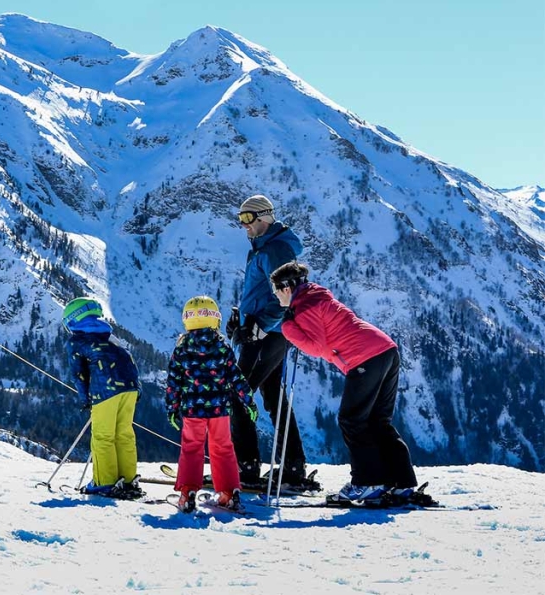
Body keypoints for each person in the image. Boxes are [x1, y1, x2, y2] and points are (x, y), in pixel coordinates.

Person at [271, 261, 418, 502]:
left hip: (365, 357)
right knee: (378, 421)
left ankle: (367, 482)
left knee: (352, 420)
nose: (276, 296)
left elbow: (316, 347)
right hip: (386, 350)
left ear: (286, 288)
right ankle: (402, 482)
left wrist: (288, 327)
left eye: (276, 290)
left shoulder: (305, 306)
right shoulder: (315, 297)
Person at [226, 194, 310, 488]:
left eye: (247, 219)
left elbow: (289, 294)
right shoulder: (262, 249)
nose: (244, 226)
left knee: (237, 394)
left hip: (268, 334)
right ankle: (292, 466)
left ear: (264, 216)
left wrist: (261, 325)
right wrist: (244, 318)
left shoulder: (275, 249)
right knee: (274, 397)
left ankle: (245, 467)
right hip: (264, 332)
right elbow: (264, 292)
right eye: (240, 220)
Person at [166, 296, 258, 512]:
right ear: (215, 318)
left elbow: (173, 382)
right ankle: (229, 492)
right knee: (223, 449)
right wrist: (249, 401)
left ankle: (187, 492)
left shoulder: (182, 348)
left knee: (191, 448)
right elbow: (236, 377)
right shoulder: (222, 346)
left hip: (192, 410)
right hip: (219, 410)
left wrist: (172, 408)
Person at [62, 297, 143, 498]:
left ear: (73, 319)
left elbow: (78, 374)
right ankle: (129, 480)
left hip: (104, 391)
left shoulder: (77, 341)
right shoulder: (109, 335)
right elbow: (128, 360)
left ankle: (104, 482)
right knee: (124, 434)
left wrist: (84, 399)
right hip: (130, 388)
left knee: (103, 436)